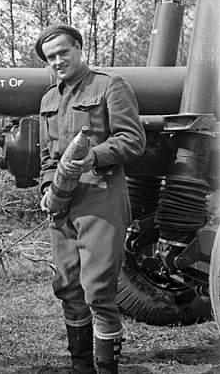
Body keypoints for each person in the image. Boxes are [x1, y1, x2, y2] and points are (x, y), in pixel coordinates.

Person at [35, 24, 146, 374]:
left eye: (62, 53)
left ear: (79, 49)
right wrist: (46, 190)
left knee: (98, 290)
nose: (57, 61)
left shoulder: (110, 85)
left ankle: (106, 367)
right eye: (50, 57)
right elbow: (46, 158)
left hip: (101, 198)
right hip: (61, 203)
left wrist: (94, 156)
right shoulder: (49, 99)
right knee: (68, 286)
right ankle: (81, 366)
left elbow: (133, 139)